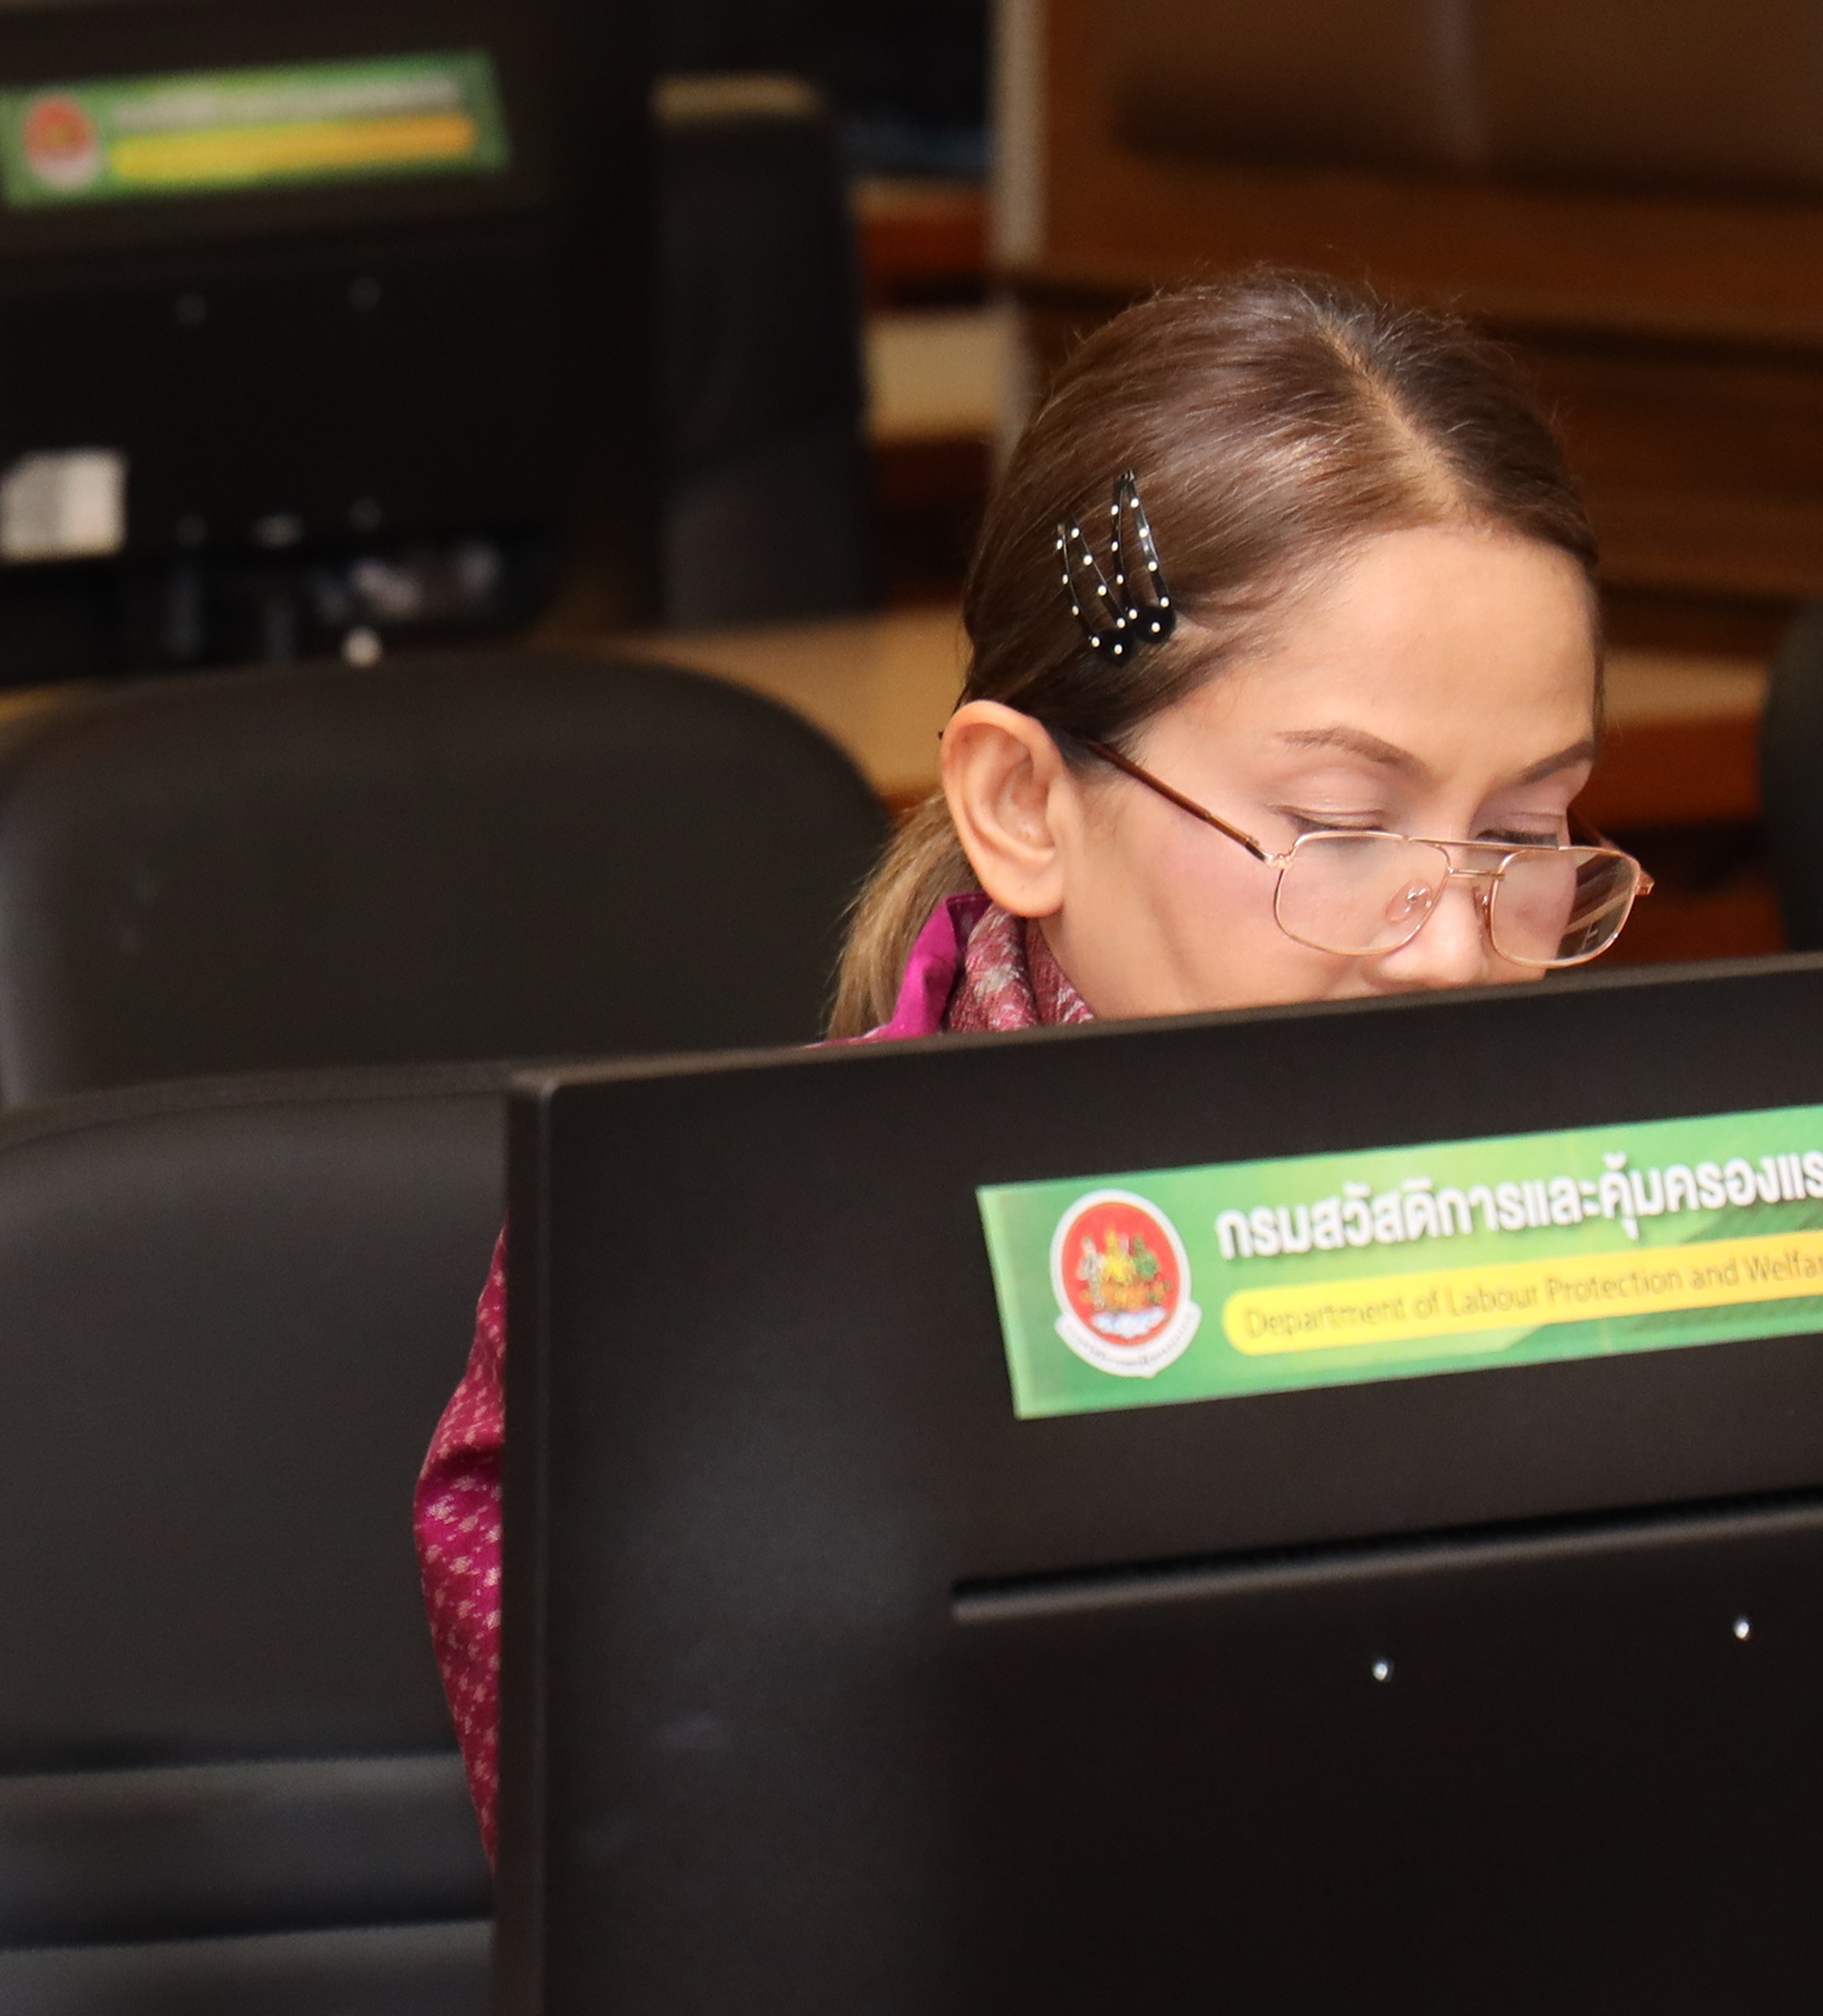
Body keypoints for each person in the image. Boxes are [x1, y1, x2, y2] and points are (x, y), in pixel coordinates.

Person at [412, 272, 1642, 1836]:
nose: (1454, 950)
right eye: (1342, 830)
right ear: (1022, 804)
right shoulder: (713, 1279)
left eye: (1526, 834)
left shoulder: (1634, 1214)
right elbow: (702, 1892)